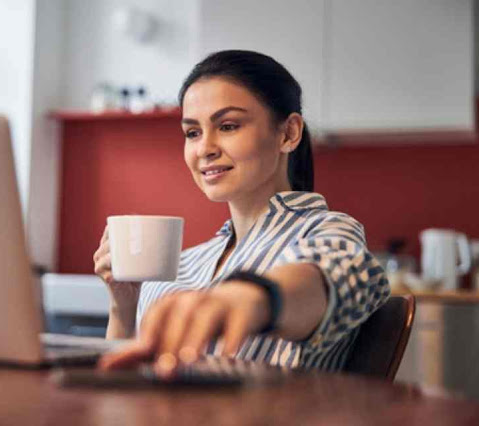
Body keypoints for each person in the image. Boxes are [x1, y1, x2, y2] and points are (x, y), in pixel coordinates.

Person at [93, 50, 390, 376]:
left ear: (288, 133)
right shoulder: (187, 263)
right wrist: (123, 305)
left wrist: (252, 298)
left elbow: (335, 274)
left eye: (228, 126)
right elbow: (120, 381)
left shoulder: (325, 231)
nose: (205, 148)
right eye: (192, 132)